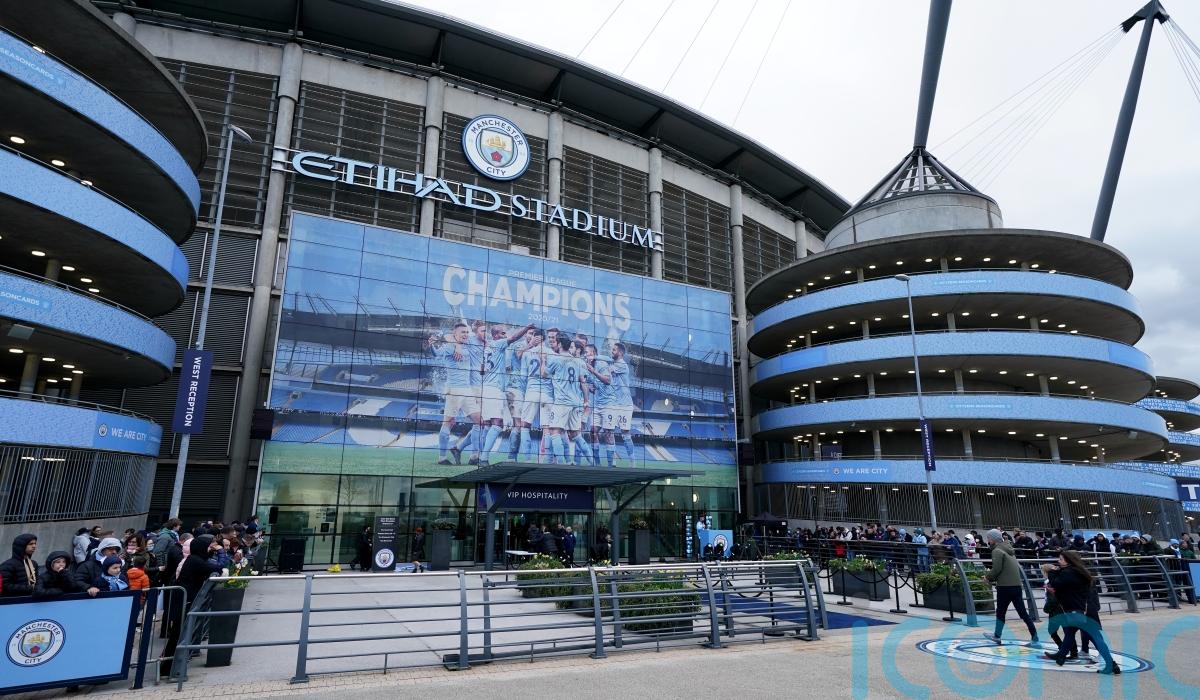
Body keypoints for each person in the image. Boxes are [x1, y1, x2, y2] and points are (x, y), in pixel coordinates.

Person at [1044, 550, 1120, 674]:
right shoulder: (1078, 571)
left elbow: (1056, 583)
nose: (1058, 561)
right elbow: (1069, 589)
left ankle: (1111, 664)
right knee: (1071, 633)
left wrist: (1051, 571)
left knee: (1095, 638)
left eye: (1061, 559)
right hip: (1084, 609)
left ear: (1068, 561)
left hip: (1079, 611)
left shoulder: (1069, 572)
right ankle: (1061, 657)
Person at [982, 529, 1040, 645]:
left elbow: (996, 569)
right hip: (1016, 586)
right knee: (1023, 613)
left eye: (989, 538)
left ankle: (997, 636)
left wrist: (987, 578)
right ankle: (1035, 638)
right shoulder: (1008, 549)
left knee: (1000, 612)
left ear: (993, 539)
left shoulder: (997, 551)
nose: (988, 541)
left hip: (1005, 586)